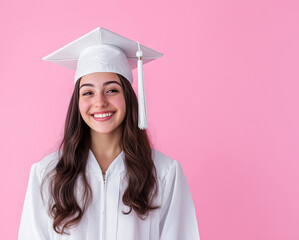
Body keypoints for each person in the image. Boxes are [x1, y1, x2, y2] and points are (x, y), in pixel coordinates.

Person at [18, 27, 200, 240]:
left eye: (112, 90)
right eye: (88, 92)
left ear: (128, 97)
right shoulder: (47, 175)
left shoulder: (164, 173)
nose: (100, 102)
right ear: (77, 102)